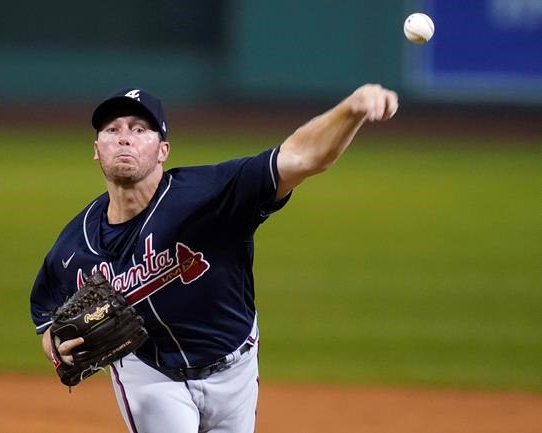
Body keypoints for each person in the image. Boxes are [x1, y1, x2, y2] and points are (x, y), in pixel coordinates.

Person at [30, 84, 398, 433]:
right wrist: (56, 347)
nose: (124, 137)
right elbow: (47, 319)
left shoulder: (210, 194)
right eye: (112, 129)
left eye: (140, 129)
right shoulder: (71, 249)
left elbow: (302, 157)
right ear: (97, 149)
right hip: (151, 377)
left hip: (234, 369)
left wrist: (352, 109)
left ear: (163, 150)